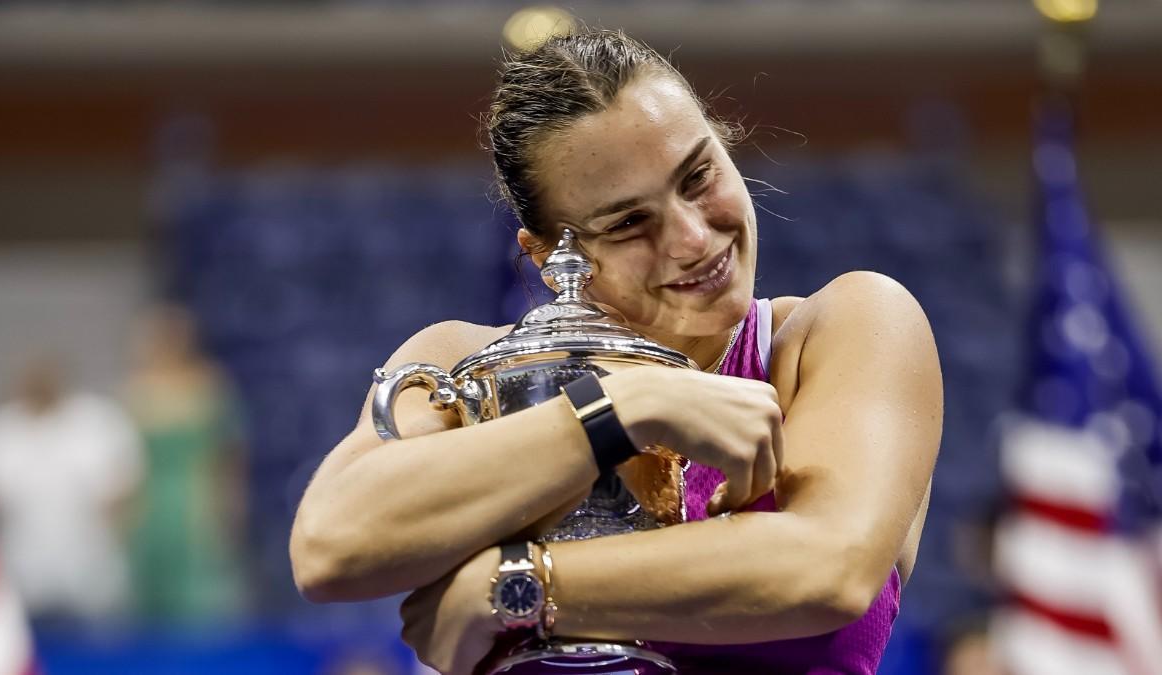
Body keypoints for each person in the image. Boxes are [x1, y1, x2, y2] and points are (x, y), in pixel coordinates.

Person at [290, 30, 942, 674]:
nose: (692, 237)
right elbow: (330, 546)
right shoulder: (470, 362)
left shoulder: (844, 330)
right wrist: (622, 409)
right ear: (549, 257)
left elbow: (828, 567)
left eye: (698, 175)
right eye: (630, 222)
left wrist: (514, 584)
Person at [0, 355, 143, 627]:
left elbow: (124, 490)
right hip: (24, 562)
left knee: (103, 643)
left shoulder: (97, 421)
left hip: (90, 561)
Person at [124, 303, 248, 626]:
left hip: (196, 499)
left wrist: (228, 506)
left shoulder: (208, 385)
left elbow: (228, 457)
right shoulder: (135, 391)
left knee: (201, 597)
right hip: (151, 503)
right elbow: (125, 460)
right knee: (150, 596)